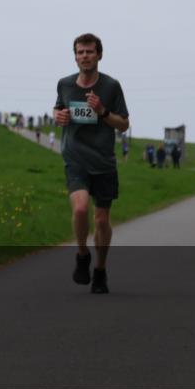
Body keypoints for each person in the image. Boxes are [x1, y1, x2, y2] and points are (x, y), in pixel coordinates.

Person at [53, 33, 130, 295]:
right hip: (75, 159)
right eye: (80, 52)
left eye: (89, 51)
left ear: (99, 55)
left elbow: (124, 123)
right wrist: (59, 116)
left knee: (101, 220)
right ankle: (82, 254)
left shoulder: (111, 86)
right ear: (75, 56)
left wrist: (103, 112)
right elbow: (59, 109)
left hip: (104, 162)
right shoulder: (64, 84)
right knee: (81, 209)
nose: (84, 56)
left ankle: (100, 269)